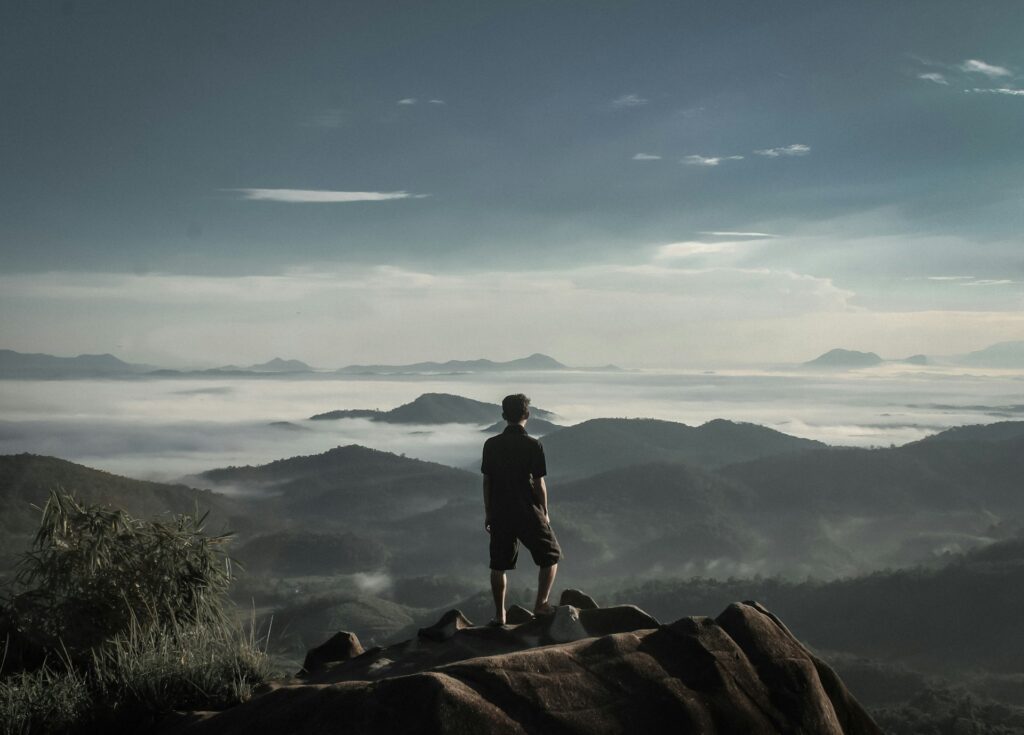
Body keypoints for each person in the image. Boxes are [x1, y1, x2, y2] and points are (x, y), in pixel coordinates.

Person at [481, 393, 561, 625]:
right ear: (527, 414)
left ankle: (500, 615)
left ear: (504, 415)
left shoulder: (491, 444)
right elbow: (538, 483)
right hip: (527, 509)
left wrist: (488, 511)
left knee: (498, 565)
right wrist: (544, 511)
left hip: (500, 510)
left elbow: (487, 481)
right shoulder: (533, 445)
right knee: (550, 555)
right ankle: (541, 604)